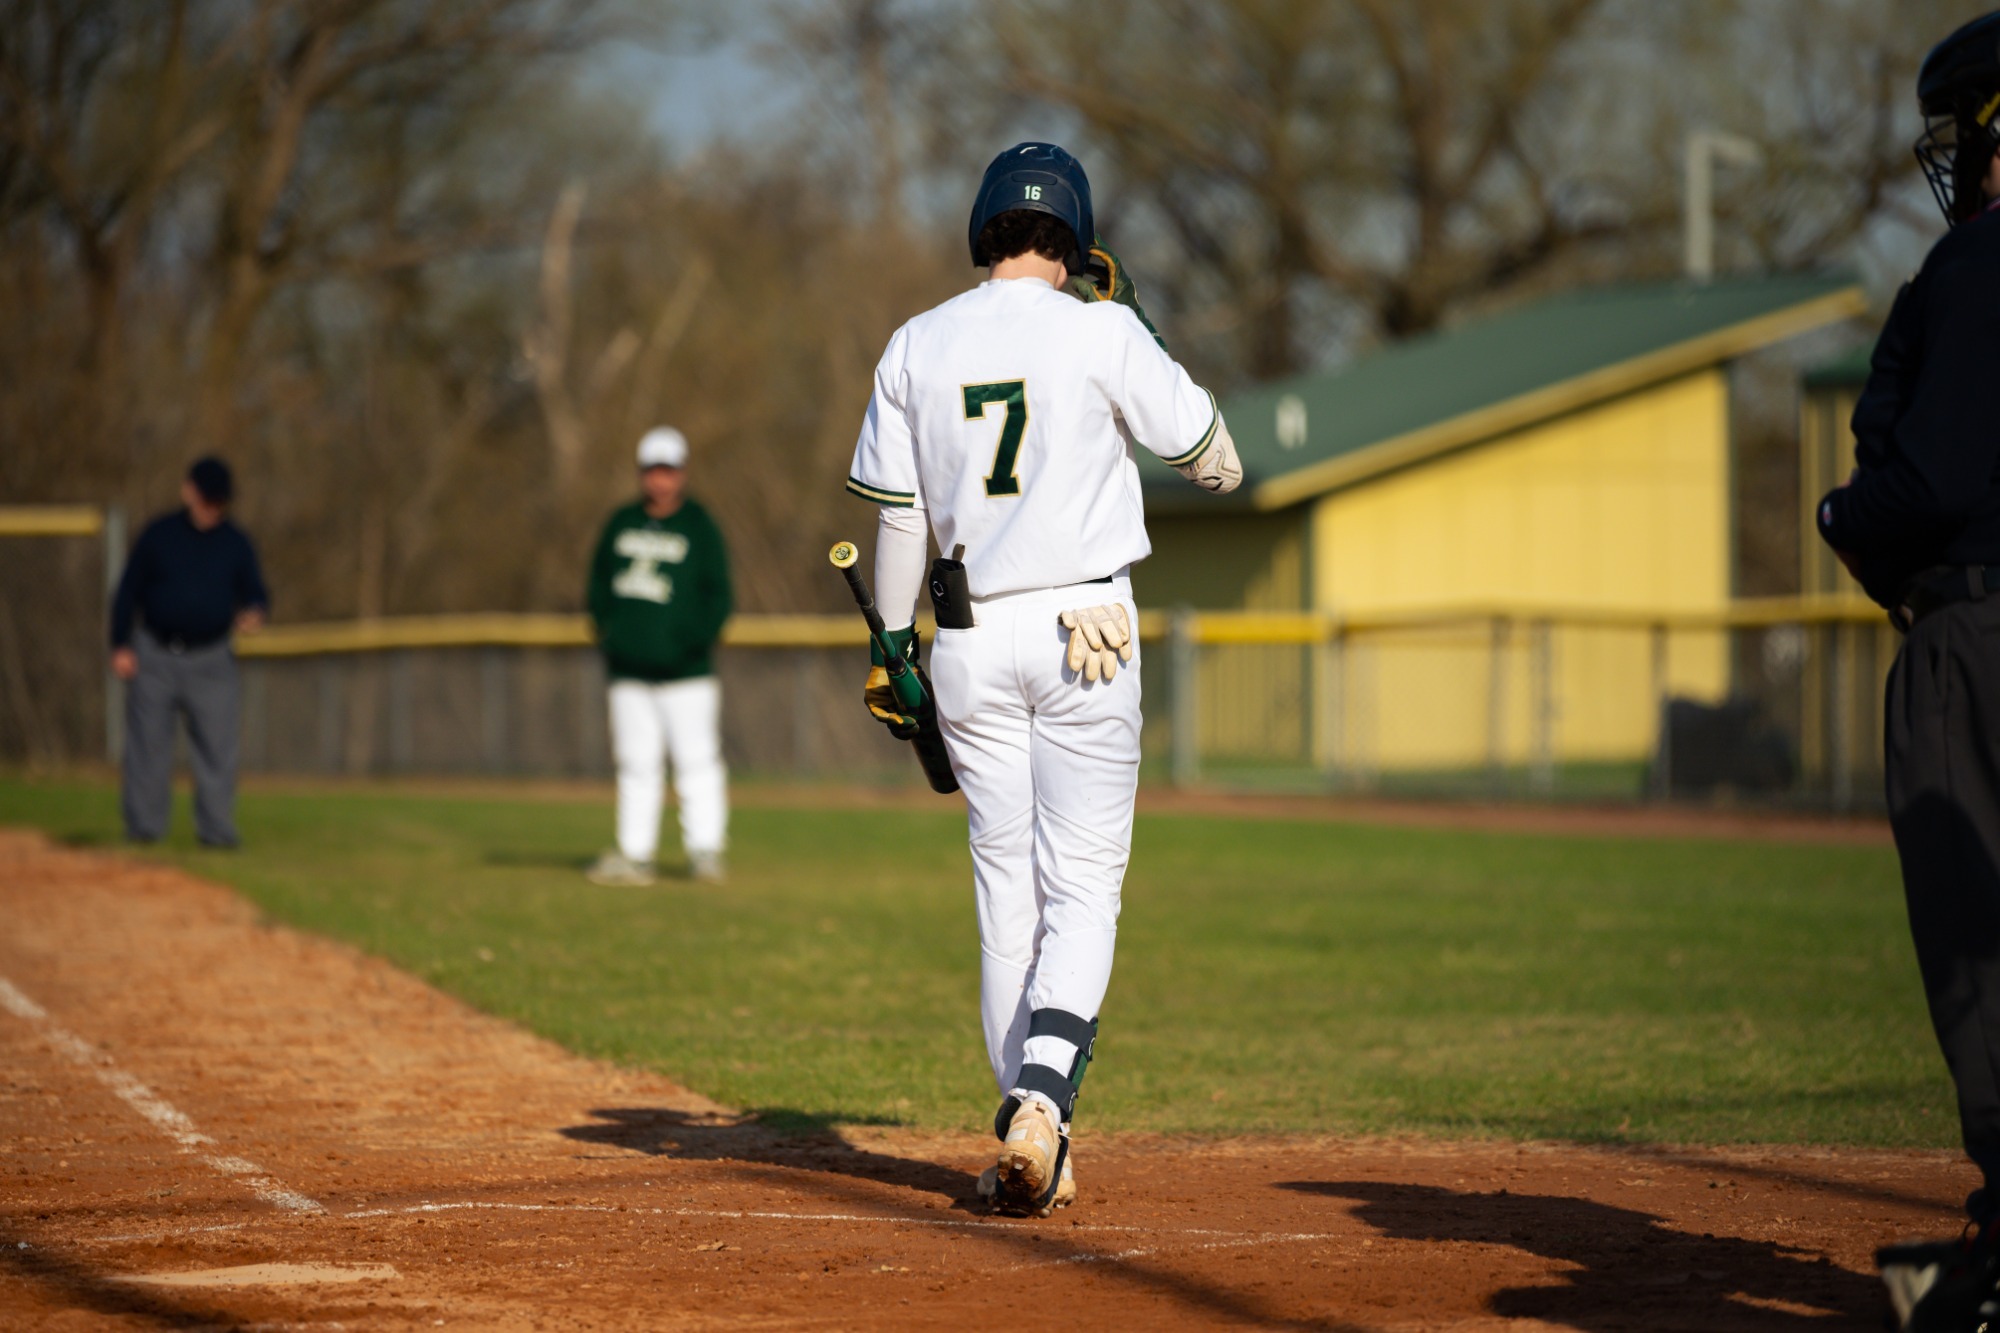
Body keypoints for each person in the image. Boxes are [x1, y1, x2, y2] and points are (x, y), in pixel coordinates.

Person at [844, 142, 1241, 1217]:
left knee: (1004, 891)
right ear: (1076, 239)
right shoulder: (1101, 330)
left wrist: (892, 645)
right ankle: (1042, 1102)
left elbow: (898, 520)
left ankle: (1037, 1133)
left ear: (985, 228)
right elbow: (1215, 460)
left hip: (968, 637)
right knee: (1083, 884)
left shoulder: (916, 341)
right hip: (1085, 631)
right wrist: (1138, 326)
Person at [1817, 12, 2000, 1330]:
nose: (1961, 154)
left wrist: (1845, 519)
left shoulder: (1973, 265)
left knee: (1979, 953)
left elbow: (1928, 478)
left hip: (1975, 635)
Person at [585, 426, 733, 886]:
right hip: (628, 670)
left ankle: (705, 851)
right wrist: (612, 634)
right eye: (653, 469)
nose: (660, 479)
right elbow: (597, 586)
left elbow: (719, 596)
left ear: (681, 473)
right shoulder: (621, 522)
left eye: (668, 469)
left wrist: (688, 642)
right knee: (636, 763)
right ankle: (635, 854)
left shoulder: (700, 526)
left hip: (688, 673)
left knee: (697, 761)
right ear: (641, 473)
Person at [110, 456, 269, 847]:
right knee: (148, 749)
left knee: (218, 750)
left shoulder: (235, 542)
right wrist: (120, 644)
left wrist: (255, 611)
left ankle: (216, 831)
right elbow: (127, 592)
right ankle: (144, 829)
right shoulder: (159, 535)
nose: (211, 508)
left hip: (211, 659)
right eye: (206, 498)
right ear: (188, 492)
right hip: (155, 655)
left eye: (218, 501)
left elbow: (256, 592)